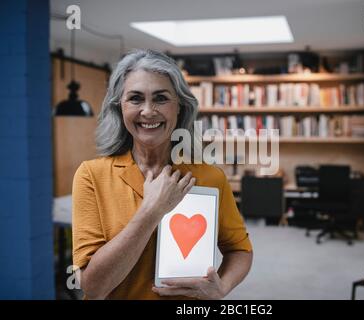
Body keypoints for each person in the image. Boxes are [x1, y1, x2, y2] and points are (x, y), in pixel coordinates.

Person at [72, 50, 253, 299]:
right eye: (135, 99)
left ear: (179, 106)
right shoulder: (91, 176)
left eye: (160, 98)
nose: (148, 111)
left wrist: (222, 287)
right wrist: (152, 210)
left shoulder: (211, 178)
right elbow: (93, 287)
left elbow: (239, 250)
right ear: (119, 107)